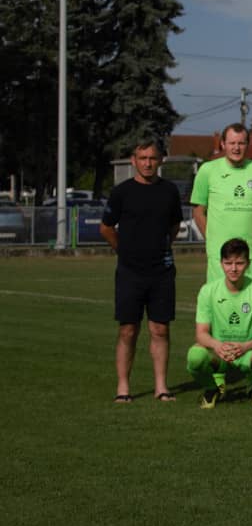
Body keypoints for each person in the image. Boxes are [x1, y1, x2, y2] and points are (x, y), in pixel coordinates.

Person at [100, 139, 183, 403]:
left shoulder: (169, 191)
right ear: (133, 161)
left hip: (161, 272)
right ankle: (123, 388)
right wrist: (124, 251)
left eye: (152, 158)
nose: (148, 163)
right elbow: (106, 227)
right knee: (128, 330)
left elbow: (174, 226)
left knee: (160, 329)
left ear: (160, 161)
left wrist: (161, 248)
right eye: (143, 158)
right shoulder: (121, 192)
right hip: (130, 273)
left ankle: (161, 387)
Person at [186, 238, 252, 409]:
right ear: (221, 264)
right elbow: (201, 333)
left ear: (248, 264)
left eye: (239, 263)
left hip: (248, 352)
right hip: (220, 353)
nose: (233, 268)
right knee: (195, 356)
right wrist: (217, 345)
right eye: (228, 263)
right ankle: (212, 388)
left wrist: (245, 346)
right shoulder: (207, 291)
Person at [190, 123, 252, 283]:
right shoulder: (207, 170)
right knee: (220, 299)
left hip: (251, 255)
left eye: (241, 143)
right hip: (219, 256)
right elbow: (198, 211)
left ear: (247, 144)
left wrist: (251, 233)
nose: (236, 148)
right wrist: (212, 240)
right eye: (232, 143)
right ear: (223, 144)